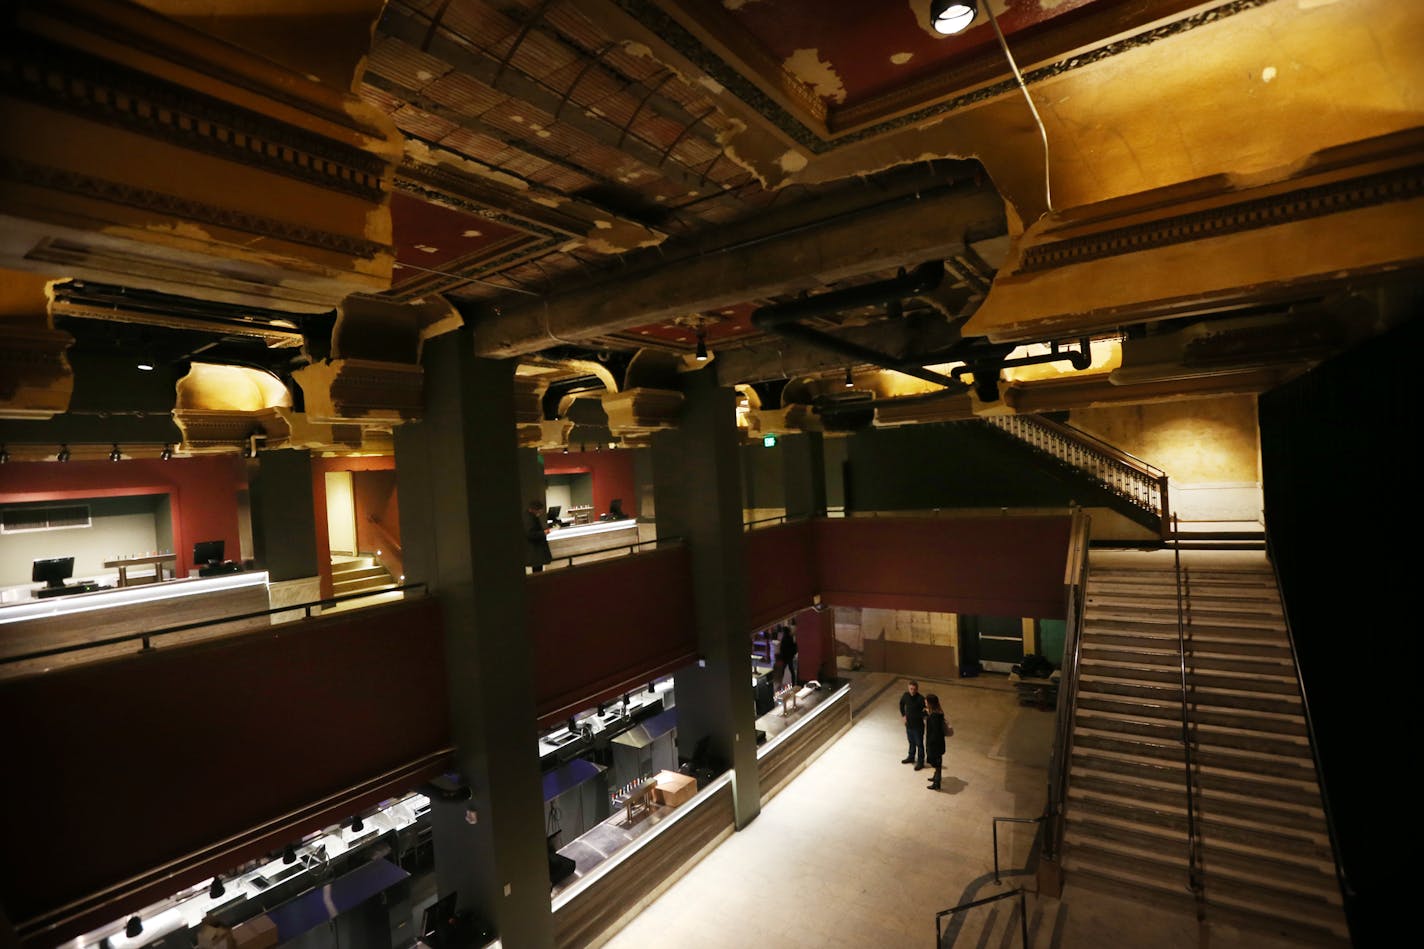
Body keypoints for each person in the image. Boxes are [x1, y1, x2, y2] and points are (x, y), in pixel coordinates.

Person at [899, 680, 926, 769]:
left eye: (914, 689)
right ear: (908, 688)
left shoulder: (921, 699)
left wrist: (921, 716)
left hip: (918, 727)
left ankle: (920, 762)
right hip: (909, 725)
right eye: (911, 689)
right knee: (911, 742)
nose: (912, 691)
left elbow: (926, 710)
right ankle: (911, 757)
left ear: (917, 689)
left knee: (919, 744)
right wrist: (904, 716)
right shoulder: (906, 696)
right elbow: (901, 704)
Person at [924, 693, 947, 790]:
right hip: (939, 744)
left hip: (935, 745)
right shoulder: (938, 713)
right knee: (938, 763)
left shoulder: (934, 717)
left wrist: (930, 745)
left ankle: (937, 784)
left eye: (926, 702)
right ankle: (936, 778)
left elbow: (935, 732)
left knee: (936, 763)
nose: (925, 703)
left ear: (930, 703)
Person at [525, 500, 552, 573]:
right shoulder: (530, 519)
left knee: (537, 569)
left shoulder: (529, 517)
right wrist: (544, 532)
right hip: (535, 550)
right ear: (535, 509)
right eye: (540, 510)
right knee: (537, 571)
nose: (541, 513)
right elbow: (530, 534)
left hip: (535, 550)